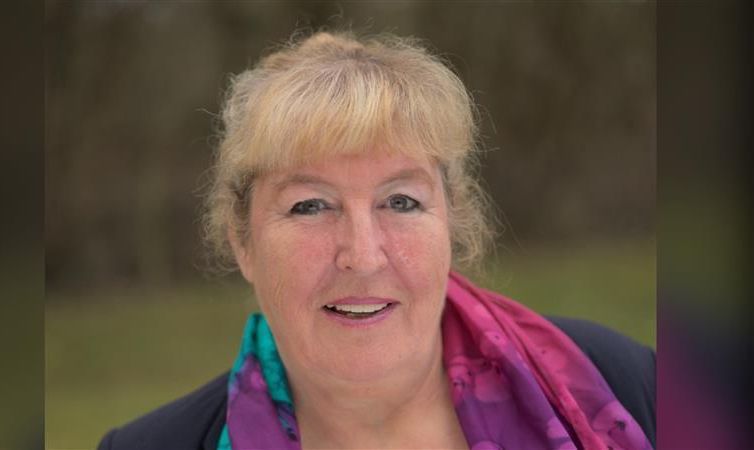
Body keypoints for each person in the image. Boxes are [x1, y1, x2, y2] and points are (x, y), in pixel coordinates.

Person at [98, 30, 655, 450]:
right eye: (310, 205)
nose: (363, 257)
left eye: (401, 201)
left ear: (451, 222)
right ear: (242, 242)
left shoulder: (623, 383)